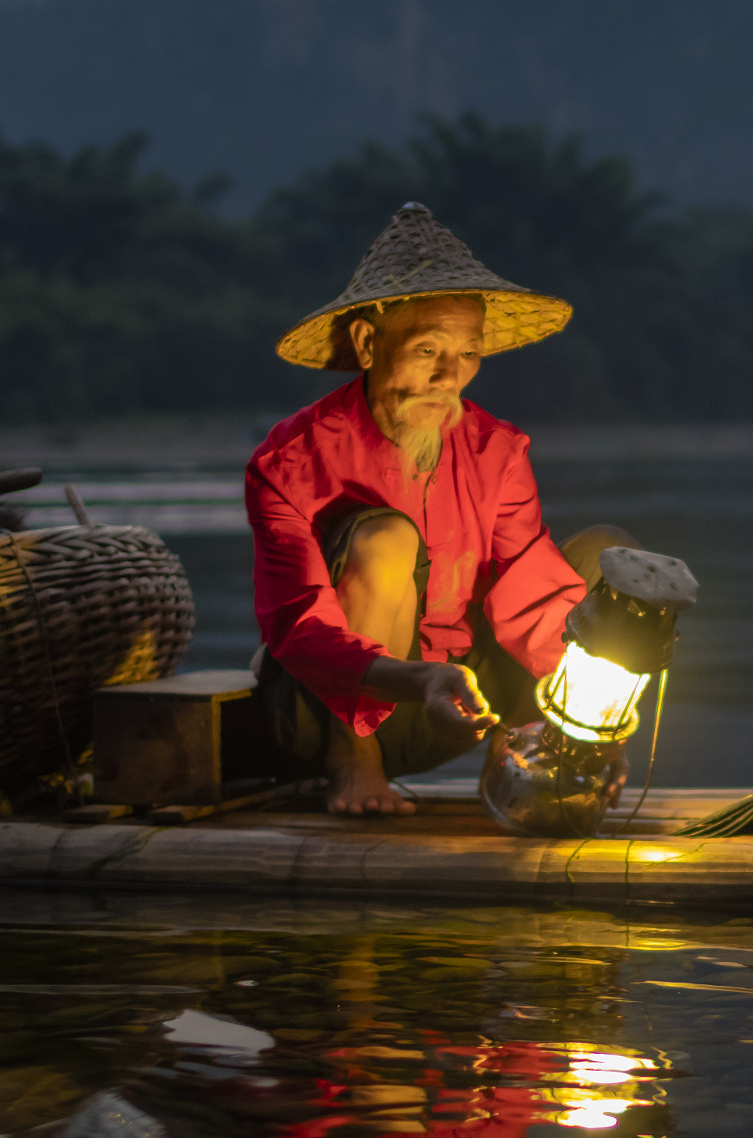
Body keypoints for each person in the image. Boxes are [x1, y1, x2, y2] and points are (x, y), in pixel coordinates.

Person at [247, 202, 630, 814]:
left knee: (607, 563)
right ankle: (355, 762)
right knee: (385, 538)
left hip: (459, 703)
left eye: (469, 354)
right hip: (330, 710)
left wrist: (596, 713)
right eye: (428, 351)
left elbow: (533, 594)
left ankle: (524, 758)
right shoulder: (291, 460)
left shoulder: (497, 450)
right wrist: (417, 680)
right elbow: (300, 628)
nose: (451, 376)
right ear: (369, 343)